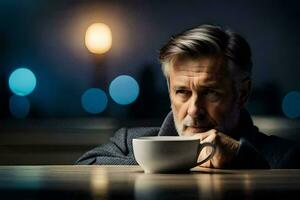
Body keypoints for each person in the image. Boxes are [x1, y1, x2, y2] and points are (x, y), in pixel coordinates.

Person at [76, 24, 300, 168]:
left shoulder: (288, 157)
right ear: (169, 90)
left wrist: (242, 158)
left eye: (211, 92)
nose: (194, 109)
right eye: (182, 91)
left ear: (242, 94)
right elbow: (84, 167)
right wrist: (165, 157)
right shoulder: (128, 143)